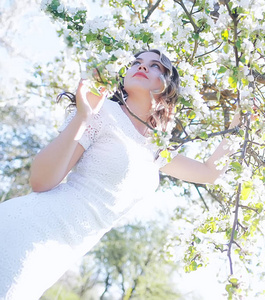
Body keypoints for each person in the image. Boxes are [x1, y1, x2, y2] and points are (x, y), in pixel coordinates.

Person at [0, 49, 241, 299]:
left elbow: (209, 172)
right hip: (28, 229)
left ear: (168, 86)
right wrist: (84, 116)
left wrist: (240, 121)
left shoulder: (156, 148)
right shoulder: (103, 113)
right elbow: (41, 180)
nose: (143, 66)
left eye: (156, 65)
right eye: (137, 62)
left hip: (58, 254)